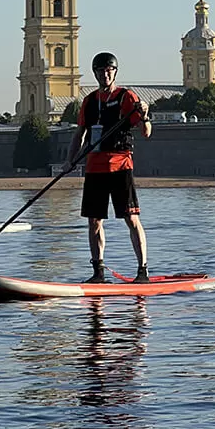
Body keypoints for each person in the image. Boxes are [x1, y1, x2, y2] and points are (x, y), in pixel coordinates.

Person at [66, 51, 152, 284]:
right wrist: (70, 160)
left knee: (131, 218)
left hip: (120, 165)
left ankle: (142, 271)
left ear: (114, 72)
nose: (105, 74)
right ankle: (98, 272)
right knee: (94, 221)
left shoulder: (126, 97)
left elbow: (146, 132)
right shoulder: (89, 101)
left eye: (109, 70)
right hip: (95, 168)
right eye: (101, 71)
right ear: (95, 74)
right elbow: (79, 134)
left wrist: (144, 115)